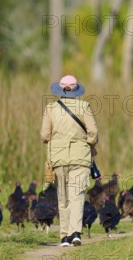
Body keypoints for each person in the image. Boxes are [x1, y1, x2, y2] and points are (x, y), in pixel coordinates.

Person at [41, 75, 98, 247]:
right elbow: (93, 132)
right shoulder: (84, 106)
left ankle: (64, 236)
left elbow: (44, 135)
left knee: (62, 197)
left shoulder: (50, 108)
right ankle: (75, 233)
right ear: (76, 90)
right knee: (77, 196)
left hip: (58, 158)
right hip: (80, 157)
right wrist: (86, 142)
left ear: (60, 90)